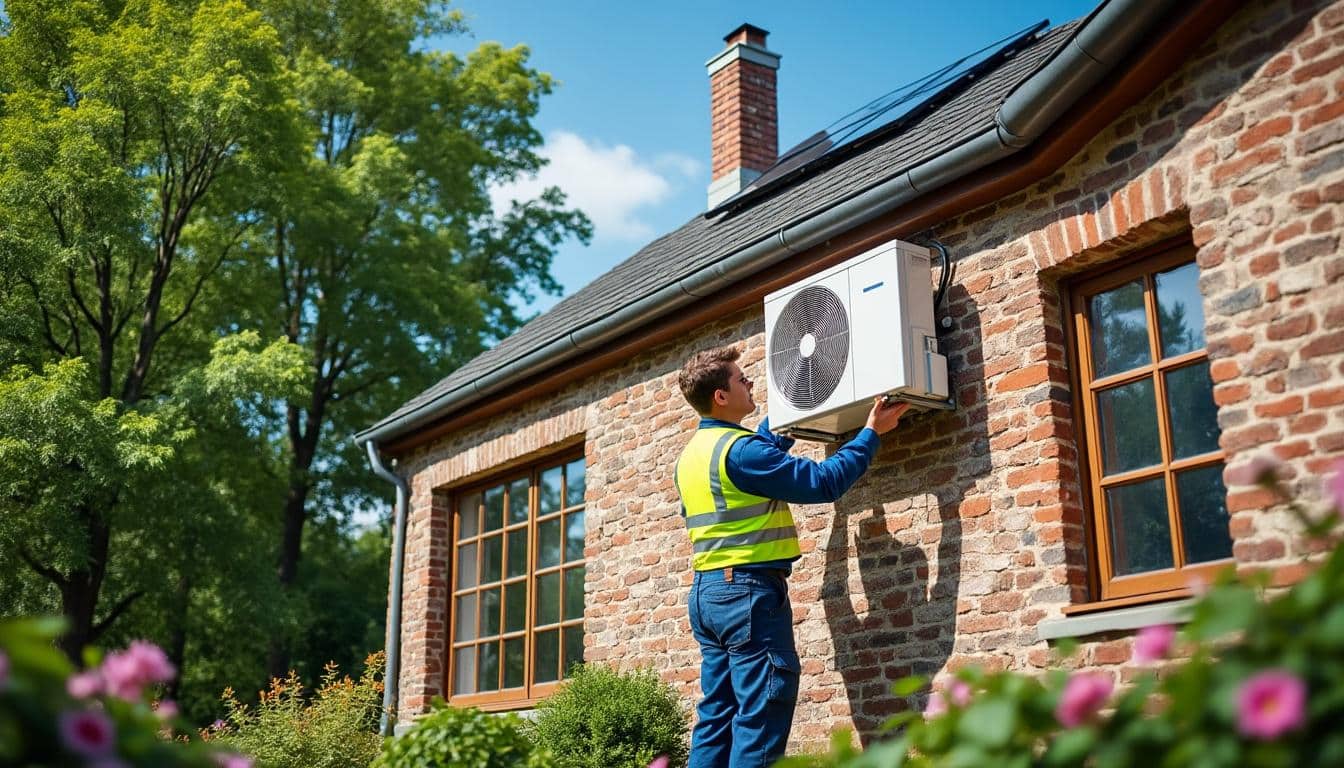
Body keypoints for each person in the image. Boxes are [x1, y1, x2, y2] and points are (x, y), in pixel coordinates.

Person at [675, 344, 909, 768]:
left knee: (717, 716)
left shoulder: (694, 455)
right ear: (721, 396)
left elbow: (753, 464)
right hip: (746, 594)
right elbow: (822, 482)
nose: (750, 382)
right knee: (762, 712)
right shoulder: (741, 451)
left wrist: (788, 412)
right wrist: (871, 433)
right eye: (741, 379)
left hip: (708, 595)